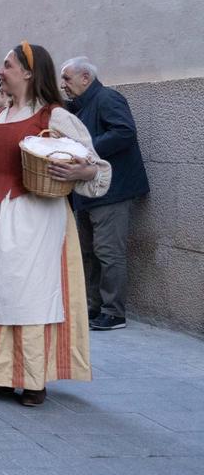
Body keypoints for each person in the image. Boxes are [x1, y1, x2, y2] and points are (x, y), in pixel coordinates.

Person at [0, 42, 112, 407]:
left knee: (26, 296)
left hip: (34, 218)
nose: (0, 70)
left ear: (28, 72)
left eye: (7, 65)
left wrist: (83, 171)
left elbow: (94, 165)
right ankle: (1, 375)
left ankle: (33, 379)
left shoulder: (54, 117)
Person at [61, 56, 149, 331]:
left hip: (112, 189)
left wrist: (86, 151)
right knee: (89, 251)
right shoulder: (79, 106)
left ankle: (113, 312)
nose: (63, 85)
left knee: (108, 252)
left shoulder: (108, 98)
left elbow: (124, 132)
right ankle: (94, 306)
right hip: (88, 191)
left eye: (67, 79)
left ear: (85, 78)